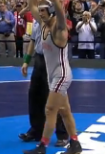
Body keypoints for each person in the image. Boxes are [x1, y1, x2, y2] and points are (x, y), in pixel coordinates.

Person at [24, 0, 82, 154]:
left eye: (43, 11)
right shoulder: (42, 24)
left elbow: (61, 12)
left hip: (62, 74)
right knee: (64, 111)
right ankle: (75, 144)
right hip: (52, 75)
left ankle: (42, 147)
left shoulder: (59, 29)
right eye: (40, 11)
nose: (39, 13)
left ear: (50, 12)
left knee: (50, 109)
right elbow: (32, 5)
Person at [20, 15, 68, 147]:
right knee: (34, 96)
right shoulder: (36, 22)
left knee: (54, 99)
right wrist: (26, 61)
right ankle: (36, 130)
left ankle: (62, 134)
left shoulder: (56, 22)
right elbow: (33, 41)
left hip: (53, 61)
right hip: (39, 60)